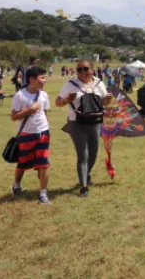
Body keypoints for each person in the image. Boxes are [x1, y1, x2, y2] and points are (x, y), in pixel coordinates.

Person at [56, 59, 113, 197]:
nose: (82, 72)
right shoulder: (70, 84)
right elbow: (58, 102)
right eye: (79, 69)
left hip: (94, 122)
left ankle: (85, 174)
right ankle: (83, 186)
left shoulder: (99, 83)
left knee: (93, 154)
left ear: (92, 70)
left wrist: (106, 100)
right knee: (83, 155)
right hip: (76, 123)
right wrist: (66, 100)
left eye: (85, 69)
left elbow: (102, 102)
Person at [10, 66, 52, 204]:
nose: (45, 80)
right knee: (22, 163)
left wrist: (43, 126)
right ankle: (16, 185)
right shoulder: (20, 95)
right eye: (42, 77)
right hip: (26, 134)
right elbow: (14, 116)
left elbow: (44, 113)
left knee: (44, 163)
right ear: (32, 79)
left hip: (43, 133)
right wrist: (30, 110)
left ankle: (43, 194)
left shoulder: (44, 95)